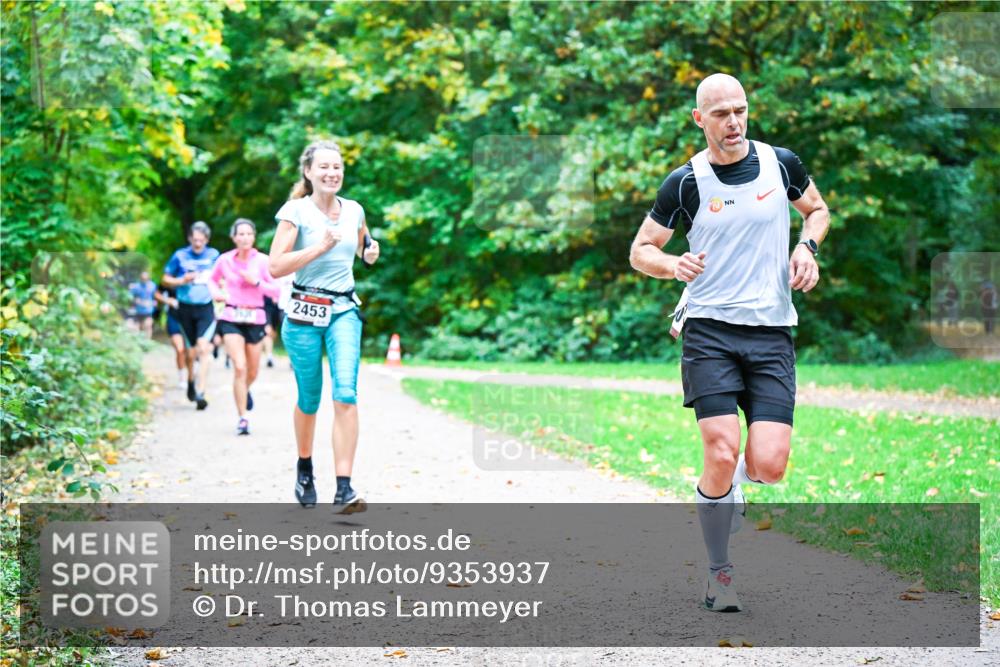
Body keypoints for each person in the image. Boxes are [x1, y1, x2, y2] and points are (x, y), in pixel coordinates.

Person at [629, 73, 831, 613]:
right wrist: (673, 264)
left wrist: (808, 248)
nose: (734, 122)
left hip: (770, 331)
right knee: (720, 450)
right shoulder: (686, 182)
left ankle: (737, 486)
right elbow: (641, 249)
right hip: (709, 330)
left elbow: (817, 209)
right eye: (721, 113)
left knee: (769, 464)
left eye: (740, 110)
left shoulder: (780, 163)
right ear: (700, 120)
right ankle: (719, 573)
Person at [268, 139, 381, 513]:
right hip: (303, 311)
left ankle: (345, 488)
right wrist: (319, 247)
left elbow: (364, 246)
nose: (332, 173)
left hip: (344, 310)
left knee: (346, 393)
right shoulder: (294, 212)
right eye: (324, 167)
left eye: (338, 167)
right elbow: (275, 266)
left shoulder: (355, 210)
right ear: (309, 172)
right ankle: (304, 469)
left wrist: (369, 253)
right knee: (309, 398)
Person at [209, 218, 280, 435]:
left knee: (252, 370)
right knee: (239, 367)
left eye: (249, 234)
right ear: (234, 237)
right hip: (231, 316)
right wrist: (216, 293)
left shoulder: (263, 261)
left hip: (255, 318)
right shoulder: (224, 260)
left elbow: (276, 291)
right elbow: (212, 280)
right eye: (240, 234)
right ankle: (243, 418)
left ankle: (245, 389)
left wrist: (256, 282)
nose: (245, 238)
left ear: (254, 237)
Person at [162, 221, 221, 410]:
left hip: (205, 308)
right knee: (190, 352)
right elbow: (164, 280)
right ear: (190, 239)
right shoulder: (180, 256)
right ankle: (190, 381)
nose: (198, 244)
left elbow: (224, 278)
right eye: (195, 240)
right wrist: (181, 280)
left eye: (201, 241)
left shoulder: (214, 255)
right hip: (185, 309)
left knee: (204, 349)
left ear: (207, 240)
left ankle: (201, 392)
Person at [154, 283, 191, 389]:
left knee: (190, 352)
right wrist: (168, 301)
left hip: (191, 319)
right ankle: (182, 378)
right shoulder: (171, 278)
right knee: (180, 349)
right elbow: (156, 294)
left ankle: (191, 375)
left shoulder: (198, 275)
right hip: (174, 318)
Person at [128, 271, 157, 338]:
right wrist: (135, 300)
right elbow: (130, 297)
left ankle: (147, 343)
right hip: (138, 311)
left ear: (148, 278)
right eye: (143, 279)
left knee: (147, 326)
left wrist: (154, 302)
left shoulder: (153, 286)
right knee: (136, 329)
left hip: (148, 311)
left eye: (146, 279)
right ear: (140, 278)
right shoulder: (136, 287)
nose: (144, 280)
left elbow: (156, 297)